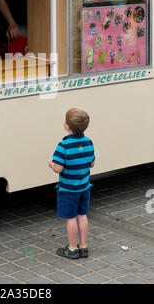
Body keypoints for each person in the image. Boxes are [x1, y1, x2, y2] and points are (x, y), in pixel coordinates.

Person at [48, 108, 95, 259]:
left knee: (71, 218)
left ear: (67, 126)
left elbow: (58, 168)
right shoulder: (88, 142)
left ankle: (73, 249)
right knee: (82, 215)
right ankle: (84, 246)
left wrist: (50, 164)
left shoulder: (64, 146)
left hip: (68, 190)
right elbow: (92, 163)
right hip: (84, 187)